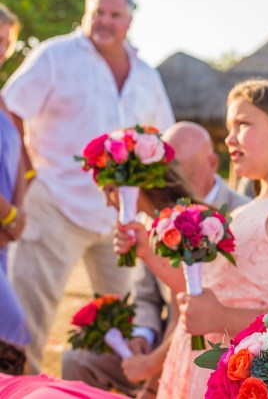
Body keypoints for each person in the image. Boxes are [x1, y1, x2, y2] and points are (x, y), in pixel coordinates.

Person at [115, 78, 268, 398]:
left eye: (243, 124)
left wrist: (220, 318)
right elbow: (211, 287)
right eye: (230, 127)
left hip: (241, 378)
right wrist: (146, 250)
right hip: (200, 367)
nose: (230, 139)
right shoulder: (248, 210)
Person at [1, 0, 175, 373]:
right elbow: (10, 109)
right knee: (28, 321)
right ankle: (17, 392)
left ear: (129, 21)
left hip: (120, 217)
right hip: (54, 201)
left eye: (114, 15)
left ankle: (108, 387)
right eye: (97, 13)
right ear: (85, 13)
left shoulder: (146, 75)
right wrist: (28, 175)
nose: (104, 22)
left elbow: (163, 138)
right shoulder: (55, 55)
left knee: (123, 319)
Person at [61, 122, 250, 397]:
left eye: (111, 190)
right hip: (167, 337)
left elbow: (190, 307)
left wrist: (151, 372)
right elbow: (147, 296)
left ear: (133, 182)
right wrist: (142, 335)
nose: (108, 202)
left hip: (213, 344)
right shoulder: (154, 223)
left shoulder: (223, 219)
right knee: (76, 359)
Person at [0, 2, 29, 375]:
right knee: (13, 335)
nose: (1, 51)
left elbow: (19, 158)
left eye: (6, 43)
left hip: (4, 239)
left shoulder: (3, 99)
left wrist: (19, 213)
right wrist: (9, 216)